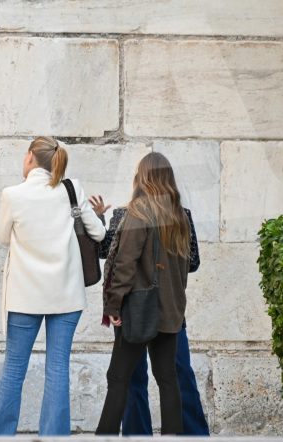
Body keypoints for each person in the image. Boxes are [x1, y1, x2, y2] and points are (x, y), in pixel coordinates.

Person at [0, 137, 108, 436]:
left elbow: (3, 237)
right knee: (57, 370)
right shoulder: (71, 188)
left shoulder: (13, 194)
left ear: (30, 156)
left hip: (24, 296)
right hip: (66, 295)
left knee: (14, 370)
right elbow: (99, 233)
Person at [96, 152, 191, 435]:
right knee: (168, 379)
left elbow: (125, 263)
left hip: (139, 311)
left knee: (118, 378)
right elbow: (184, 268)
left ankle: (104, 437)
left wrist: (113, 304)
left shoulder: (138, 212)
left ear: (143, 177)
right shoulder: (179, 216)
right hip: (171, 311)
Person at [102, 206, 209, 435]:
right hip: (160, 309)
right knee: (171, 375)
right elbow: (193, 262)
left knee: (141, 377)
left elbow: (112, 256)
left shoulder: (128, 214)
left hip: (140, 310)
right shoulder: (178, 214)